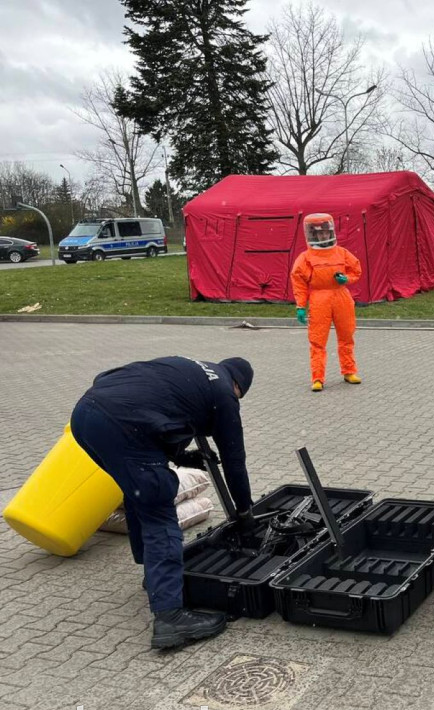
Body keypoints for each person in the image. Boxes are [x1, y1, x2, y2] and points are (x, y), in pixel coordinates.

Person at [69, 356, 255, 649]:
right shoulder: (224, 395)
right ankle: (170, 617)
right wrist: (245, 510)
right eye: (239, 396)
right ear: (237, 386)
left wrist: (180, 456)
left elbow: (120, 383)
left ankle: (154, 578)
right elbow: (234, 461)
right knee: (157, 506)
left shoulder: (191, 370)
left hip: (85, 416)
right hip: (122, 425)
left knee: (138, 491)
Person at [291, 213, 363, 391]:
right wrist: (301, 305)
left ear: (330, 232)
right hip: (319, 299)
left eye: (325, 232)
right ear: (313, 235)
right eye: (319, 233)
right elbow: (298, 282)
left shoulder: (341, 252)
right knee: (317, 340)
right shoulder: (306, 257)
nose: (323, 236)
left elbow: (356, 270)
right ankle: (317, 377)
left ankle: (349, 371)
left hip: (341, 297)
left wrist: (346, 279)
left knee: (346, 335)